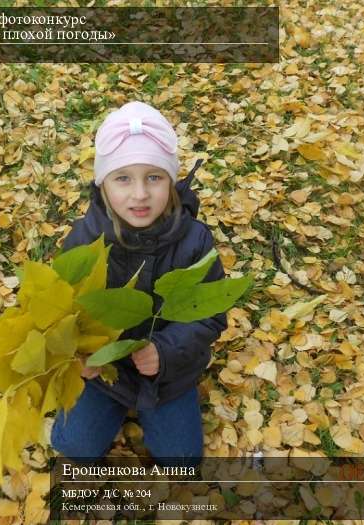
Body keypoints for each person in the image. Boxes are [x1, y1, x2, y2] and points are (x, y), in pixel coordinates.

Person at [50, 101, 227, 467]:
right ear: (103, 184)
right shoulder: (85, 242)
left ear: (172, 181)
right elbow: (62, 311)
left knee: (182, 460)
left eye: (154, 177)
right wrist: (80, 354)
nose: (140, 194)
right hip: (105, 375)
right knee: (73, 445)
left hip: (168, 376)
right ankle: (108, 408)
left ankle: (159, 410)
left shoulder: (194, 242)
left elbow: (210, 317)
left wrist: (164, 351)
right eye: (123, 178)